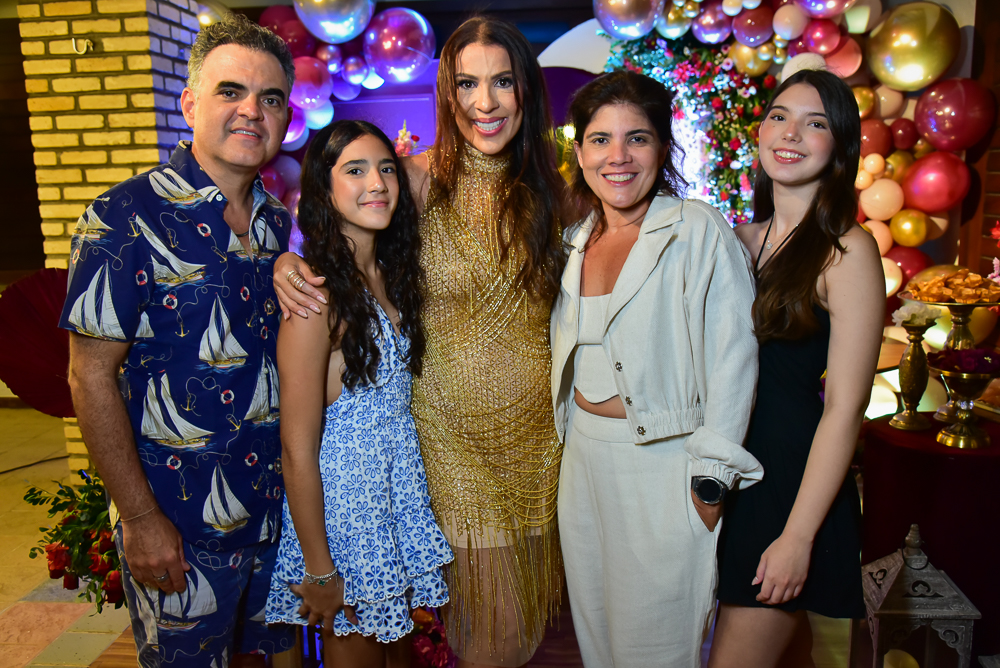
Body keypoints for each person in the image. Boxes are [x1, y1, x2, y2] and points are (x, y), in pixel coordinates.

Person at [273, 17, 568, 667]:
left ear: (526, 90)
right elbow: (337, 212)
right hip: (450, 451)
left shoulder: (551, 195)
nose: (485, 101)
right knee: (487, 641)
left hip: (540, 452)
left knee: (512, 638)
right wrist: (284, 263)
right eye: (467, 83)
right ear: (446, 93)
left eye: (502, 82)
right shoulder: (411, 179)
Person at [61, 14, 299, 668]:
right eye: (231, 91)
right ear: (190, 104)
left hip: (275, 520)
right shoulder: (122, 218)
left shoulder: (276, 223)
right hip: (180, 530)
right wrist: (139, 519)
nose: (252, 111)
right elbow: (88, 376)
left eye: (270, 97)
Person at [551, 70, 764, 667]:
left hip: (664, 464)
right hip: (582, 464)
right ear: (580, 152)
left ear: (663, 147)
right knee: (598, 643)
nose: (617, 157)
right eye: (601, 139)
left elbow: (734, 358)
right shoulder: (573, 239)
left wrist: (711, 481)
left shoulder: (696, 229)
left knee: (655, 651)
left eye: (637, 138)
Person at [709, 69, 883, 668]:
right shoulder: (736, 239)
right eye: (780, 116)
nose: (791, 133)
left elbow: (845, 409)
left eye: (816, 124)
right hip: (733, 475)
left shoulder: (847, 251)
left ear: (840, 146)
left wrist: (798, 536)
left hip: (791, 485)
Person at [263, 120, 453, 667]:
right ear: (324, 190)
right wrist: (321, 570)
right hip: (346, 521)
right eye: (355, 170)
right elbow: (296, 449)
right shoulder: (316, 298)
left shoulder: (393, 277)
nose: (377, 183)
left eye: (386, 169)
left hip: (393, 502)